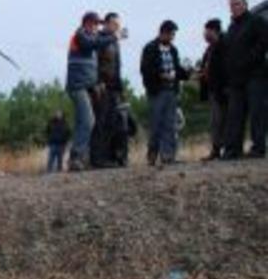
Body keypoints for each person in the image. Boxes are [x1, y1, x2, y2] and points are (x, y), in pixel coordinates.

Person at [66, 11, 122, 171]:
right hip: (77, 87)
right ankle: (77, 156)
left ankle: (75, 159)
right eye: (95, 23)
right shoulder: (80, 35)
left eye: (98, 24)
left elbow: (90, 67)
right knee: (89, 121)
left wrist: (96, 84)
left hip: (85, 87)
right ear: (87, 23)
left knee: (80, 123)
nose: (97, 26)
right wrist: (114, 37)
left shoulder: (91, 38)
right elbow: (91, 44)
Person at [222, 0, 268, 159]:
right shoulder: (231, 28)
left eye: (238, 4)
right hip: (236, 79)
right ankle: (233, 150)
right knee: (235, 115)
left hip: (255, 75)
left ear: (245, 5)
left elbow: (263, 44)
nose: (234, 7)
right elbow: (228, 52)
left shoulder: (257, 21)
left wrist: (248, 60)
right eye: (232, 4)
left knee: (257, 113)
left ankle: (258, 148)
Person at [140, 20, 189, 166]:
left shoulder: (173, 50)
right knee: (156, 124)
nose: (172, 37)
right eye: (171, 34)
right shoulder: (150, 48)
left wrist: (188, 74)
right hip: (157, 91)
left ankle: (168, 156)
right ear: (163, 33)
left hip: (171, 90)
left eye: (173, 34)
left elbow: (177, 68)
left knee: (170, 124)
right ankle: (152, 154)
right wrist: (161, 75)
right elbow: (145, 69)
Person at [91, 12, 129, 168]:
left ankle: (109, 157)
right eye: (114, 24)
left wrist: (121, 89)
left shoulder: (114, 41)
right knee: (100, 122)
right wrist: (97, 82)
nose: (117, 28)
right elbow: (95, 63)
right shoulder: (99, 38)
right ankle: (96, 159)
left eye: (118, 25)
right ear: (106, 24)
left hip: (114, 87)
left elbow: (117, 66)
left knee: (112, 123)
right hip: (102, 86)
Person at [199, 19, 228, 160]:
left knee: (222, 120)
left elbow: (225, 68)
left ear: (213, 31)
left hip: (221, 89)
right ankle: (216, 150)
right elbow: (206, 66)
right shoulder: (210, 48)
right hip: (211, 89)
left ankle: (226, 149)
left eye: (206, 31)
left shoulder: (224, 44)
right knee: (215, 121)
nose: (204, 34)